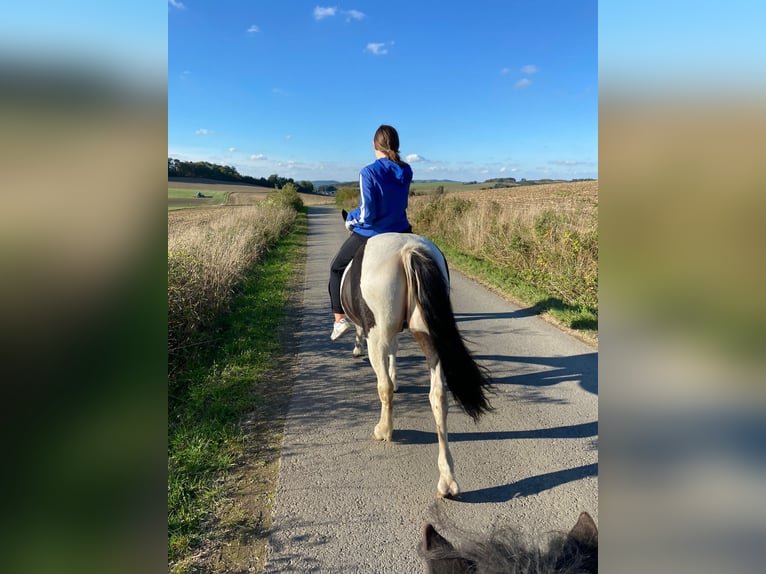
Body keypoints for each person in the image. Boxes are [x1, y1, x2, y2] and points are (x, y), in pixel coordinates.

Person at [328, 124, 413, 340]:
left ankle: (339, 320)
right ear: (397, 145)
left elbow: (367, 214)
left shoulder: (368, 172)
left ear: (375, 145)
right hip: (403, 231)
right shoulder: (406, 170)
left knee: (336, 268)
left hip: (372, 232)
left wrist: (350, 218)